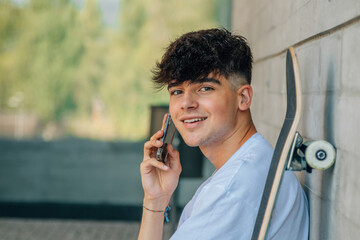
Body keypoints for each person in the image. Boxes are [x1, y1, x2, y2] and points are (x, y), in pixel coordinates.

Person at [138, 28, 309, 240]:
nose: (186, 104)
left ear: (244, 98)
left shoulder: (231, 190)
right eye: (177, 91)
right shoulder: (252, 163)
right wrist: (156, 199)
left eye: (205, 88)